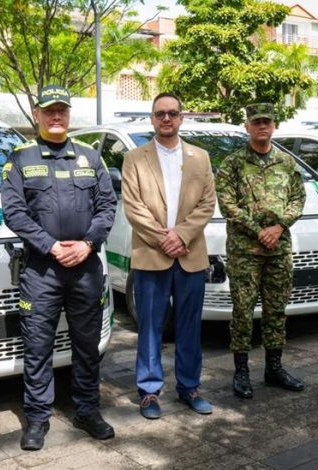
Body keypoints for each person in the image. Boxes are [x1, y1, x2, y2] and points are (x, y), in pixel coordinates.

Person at [1, 85, 117, 451]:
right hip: (42, 271)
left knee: (87, 345)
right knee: (38, 346)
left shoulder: (89, 157)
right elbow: (14, 212)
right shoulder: (20, 158)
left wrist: (86, 245)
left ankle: (87, 409)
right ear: (37, 114)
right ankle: (37, 418)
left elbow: (107, 207)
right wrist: (50, 245)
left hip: (85, 268)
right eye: (49, 110)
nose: (56, 117)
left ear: (69, 115)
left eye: (62, 111)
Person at [120, 93, 216, 419]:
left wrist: (182, 235)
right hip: (151, 255)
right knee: (150, 327)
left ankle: (189, 387)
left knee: (190, 327)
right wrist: (165, 239)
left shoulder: (200, 157)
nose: (166, 118)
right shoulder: (135, 158)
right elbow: (133, 207)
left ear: (181, 117)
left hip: (190, 255)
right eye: (160, 113)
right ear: (151, 118)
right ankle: (149, 391)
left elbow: (207, 203)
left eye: (172, 113)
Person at [216, 103, 307, 399]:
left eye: (267, 122)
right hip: (245, 251)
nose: (262, 127)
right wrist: (259, 231)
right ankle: (241, 372)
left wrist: (279, 227)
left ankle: (274, 368)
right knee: (242, 311)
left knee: (276, 310)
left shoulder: (286, 162)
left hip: (279, 249)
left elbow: (298, 198)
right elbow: (228, 205)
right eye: (256, 122)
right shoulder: (232, 164)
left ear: (274, 126)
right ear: (247, 127)